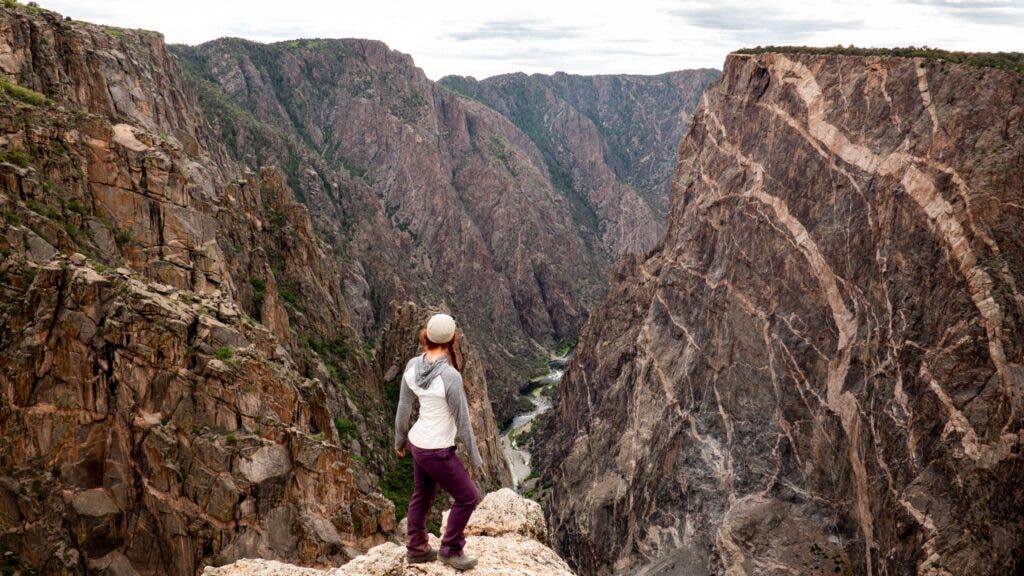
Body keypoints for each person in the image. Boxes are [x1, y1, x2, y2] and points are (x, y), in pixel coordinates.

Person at [393, 312, 483, 571]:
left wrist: (400, 441)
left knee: (422, 495)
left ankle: (417, 547)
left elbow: (403, 408)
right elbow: (464, 424)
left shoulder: (412, 366)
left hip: (417, 444)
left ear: (427, 337)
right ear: (453, 339)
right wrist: (475, 459)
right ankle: (451, 549)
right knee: (467, 497)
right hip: (437, 450)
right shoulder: (450, 376)